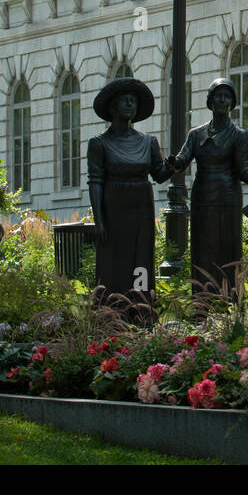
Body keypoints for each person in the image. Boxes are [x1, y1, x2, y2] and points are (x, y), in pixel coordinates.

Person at [169, 77, 248, 301]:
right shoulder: (196, 134)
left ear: (232, 102)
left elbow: (243, 170)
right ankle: (203, 300)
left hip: (228, 199)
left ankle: (231, 299)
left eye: (227, 96)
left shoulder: (239, 135)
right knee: (203, 249)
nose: (222, 100)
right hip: (203, 199)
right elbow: (183, 159)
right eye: (218, 95)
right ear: (210, 100)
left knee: (228, 248)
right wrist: (173, 163)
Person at [87, 77, 173, 321]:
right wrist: (99, 221)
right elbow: (95, 182)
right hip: (114, 210)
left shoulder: (148, 142)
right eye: (124, 100)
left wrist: (175, 165)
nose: (130, 104)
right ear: (113, 107)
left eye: (133, 101)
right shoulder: (99, 143)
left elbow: (159, 175)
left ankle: (141, 307)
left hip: (141, 210)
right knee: (113, 262)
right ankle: (111, 313)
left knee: (140, 261)